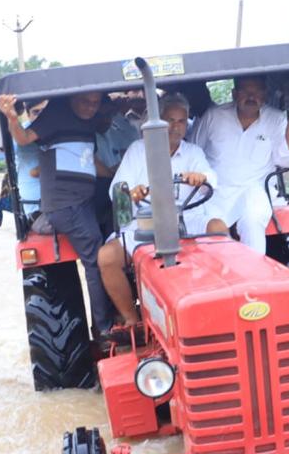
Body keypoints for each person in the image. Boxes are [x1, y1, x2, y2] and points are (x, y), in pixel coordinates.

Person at [97, 93, 227, 326]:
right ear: (159, 121)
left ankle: (219, 302)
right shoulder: (138, 150)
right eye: (170, 120)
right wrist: (131, 192)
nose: (175, 127)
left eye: (181, 121)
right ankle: (132, 320)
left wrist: (201, 177)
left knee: (219, 228)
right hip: (145, 222)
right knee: (106, 257)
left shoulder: (193, 153)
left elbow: (212, 178)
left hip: (187, 219)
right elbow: (116, 191)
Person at [0, 90, 115, 334]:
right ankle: (105, 329)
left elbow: (90, 161)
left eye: (95, 102)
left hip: (85, 201)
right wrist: (11, 117)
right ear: (72, 99)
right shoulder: (56, 115)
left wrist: (118, 175)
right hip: (66, 205)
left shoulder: (86, 124)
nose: (91, 107)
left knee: (117, 226)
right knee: (96, 260)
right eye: (85, 101)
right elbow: (23, 138)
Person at [190, 76, 289, 254]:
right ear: (234, 94)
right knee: (213, 232)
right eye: (245, 91)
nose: (251, 96)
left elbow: (286, 160)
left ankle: (255, 275)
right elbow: (193, 152)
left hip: (255, 190)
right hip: (216, 192)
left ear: (265, 95)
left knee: (253, 221)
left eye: (257, 91)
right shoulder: (214, 116)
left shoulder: (276, 119)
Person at [94, 95, 140, 239]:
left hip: (116, 185)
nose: (108, 119)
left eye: (110, 115)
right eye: (104, 115)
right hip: (99, 195)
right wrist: (115, 171)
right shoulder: (89, 138)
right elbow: (96, 168)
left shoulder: (109, 135)